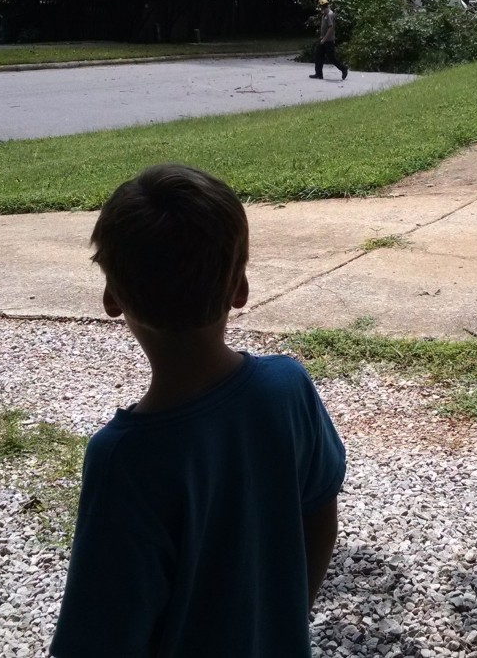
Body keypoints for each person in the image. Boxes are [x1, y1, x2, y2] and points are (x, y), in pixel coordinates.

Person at [51, 164, 346, 658]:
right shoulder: (287, 387)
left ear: (112, 298)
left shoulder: (124, 459)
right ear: (241, 288)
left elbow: (100, 635)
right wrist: (286, 619)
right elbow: (318, 515)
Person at [309, 0, 348, 81]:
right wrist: (321, 37)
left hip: (328, 40)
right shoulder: (324, 14)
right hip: (323, 39)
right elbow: (324, 27)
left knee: (331, 58)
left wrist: (324, 39)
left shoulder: (330, 14)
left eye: (321, 6)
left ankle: (344, 69)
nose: (321, 8)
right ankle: (318, 74)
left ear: (322, 6)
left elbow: (331, 28)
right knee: (318, 55)